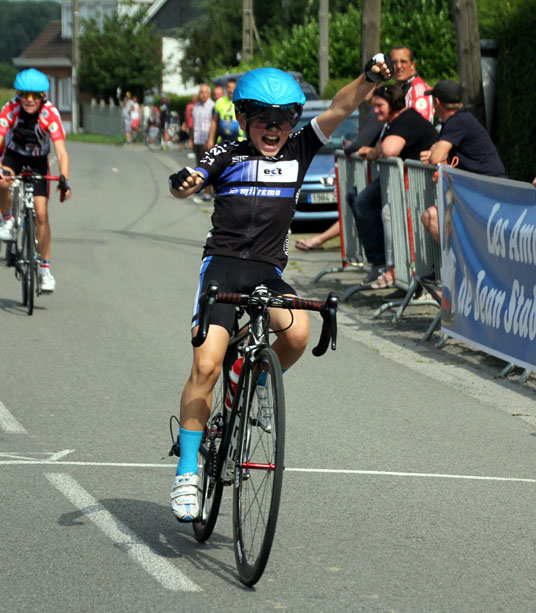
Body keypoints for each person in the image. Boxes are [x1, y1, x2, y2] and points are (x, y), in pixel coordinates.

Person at [167, 56, 393, 521]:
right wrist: (185, 184)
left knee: (296, 333)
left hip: (267, 271)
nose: (274, 128)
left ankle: (252, 381)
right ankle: (187, 471)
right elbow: (190, 182)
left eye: (284, 119)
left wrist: (369, 79)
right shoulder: (226, 155)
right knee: (206, 365)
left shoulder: (300, 150)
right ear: (244, 119)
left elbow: (339, 107)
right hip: (223, 271)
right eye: (264, 119)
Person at [0, 68, 71, 293]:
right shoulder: (10, 109)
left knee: (42, 214)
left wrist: (64, 179)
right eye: (25, 95)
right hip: (13, 156)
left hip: (38, 160)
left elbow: (61, 152)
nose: (30, 100)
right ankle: (8, 218)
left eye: (36, 96)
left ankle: (44, 270)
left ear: (44, 97)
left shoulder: (50, 114)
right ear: (18, 94)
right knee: (3, 181)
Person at [352, 84, 438, 288]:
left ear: (393, 104)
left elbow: (388, 149)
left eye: (380, 105)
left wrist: (376, 151)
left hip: (421, 185)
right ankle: (382, 262)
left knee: (387, 212)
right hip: (404, 182)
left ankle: (392, 268)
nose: (375, 110)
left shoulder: (406, 120)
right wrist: (375, 150)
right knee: (358, 198)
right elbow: (380, 147)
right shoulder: (393, 122)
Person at [419, 79, 507, 241]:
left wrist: (434, 153)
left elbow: (437, 156)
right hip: (479, 191)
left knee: (431, 217)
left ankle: (459, 262)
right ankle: (459, 262)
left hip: (488, 192)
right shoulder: (458, 119)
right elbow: (439, 153)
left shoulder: (457, 121)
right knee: (431, 216)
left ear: (437, 102)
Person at [390, 46, 433, 122]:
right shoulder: (399, 87)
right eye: (394, 62)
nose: (399, 66)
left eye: (403, 62)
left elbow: (420, 125)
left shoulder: (419, 90)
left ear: (412, 65)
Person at [191, 84, 215, 203]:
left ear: (209, 93)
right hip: (197, 140)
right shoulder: (196, 106)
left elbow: (214, 124)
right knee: (199, 167)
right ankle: (202, 188)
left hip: (207, 141)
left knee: (208, 168)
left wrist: (210, 139)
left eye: (205, 92)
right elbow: (193, 124)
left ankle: (207, 193)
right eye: (201, 92)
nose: (203, 94)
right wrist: (191, 139)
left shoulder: (212, 106)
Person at [206, 78, 241, 149]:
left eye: (233, 87)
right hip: (223, 140)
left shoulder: (241, 101)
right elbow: (214, 121)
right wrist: (211, 139)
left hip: (238, 140)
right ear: (226, 88)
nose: (230, 90)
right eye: (228, 87)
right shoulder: (219, 101)